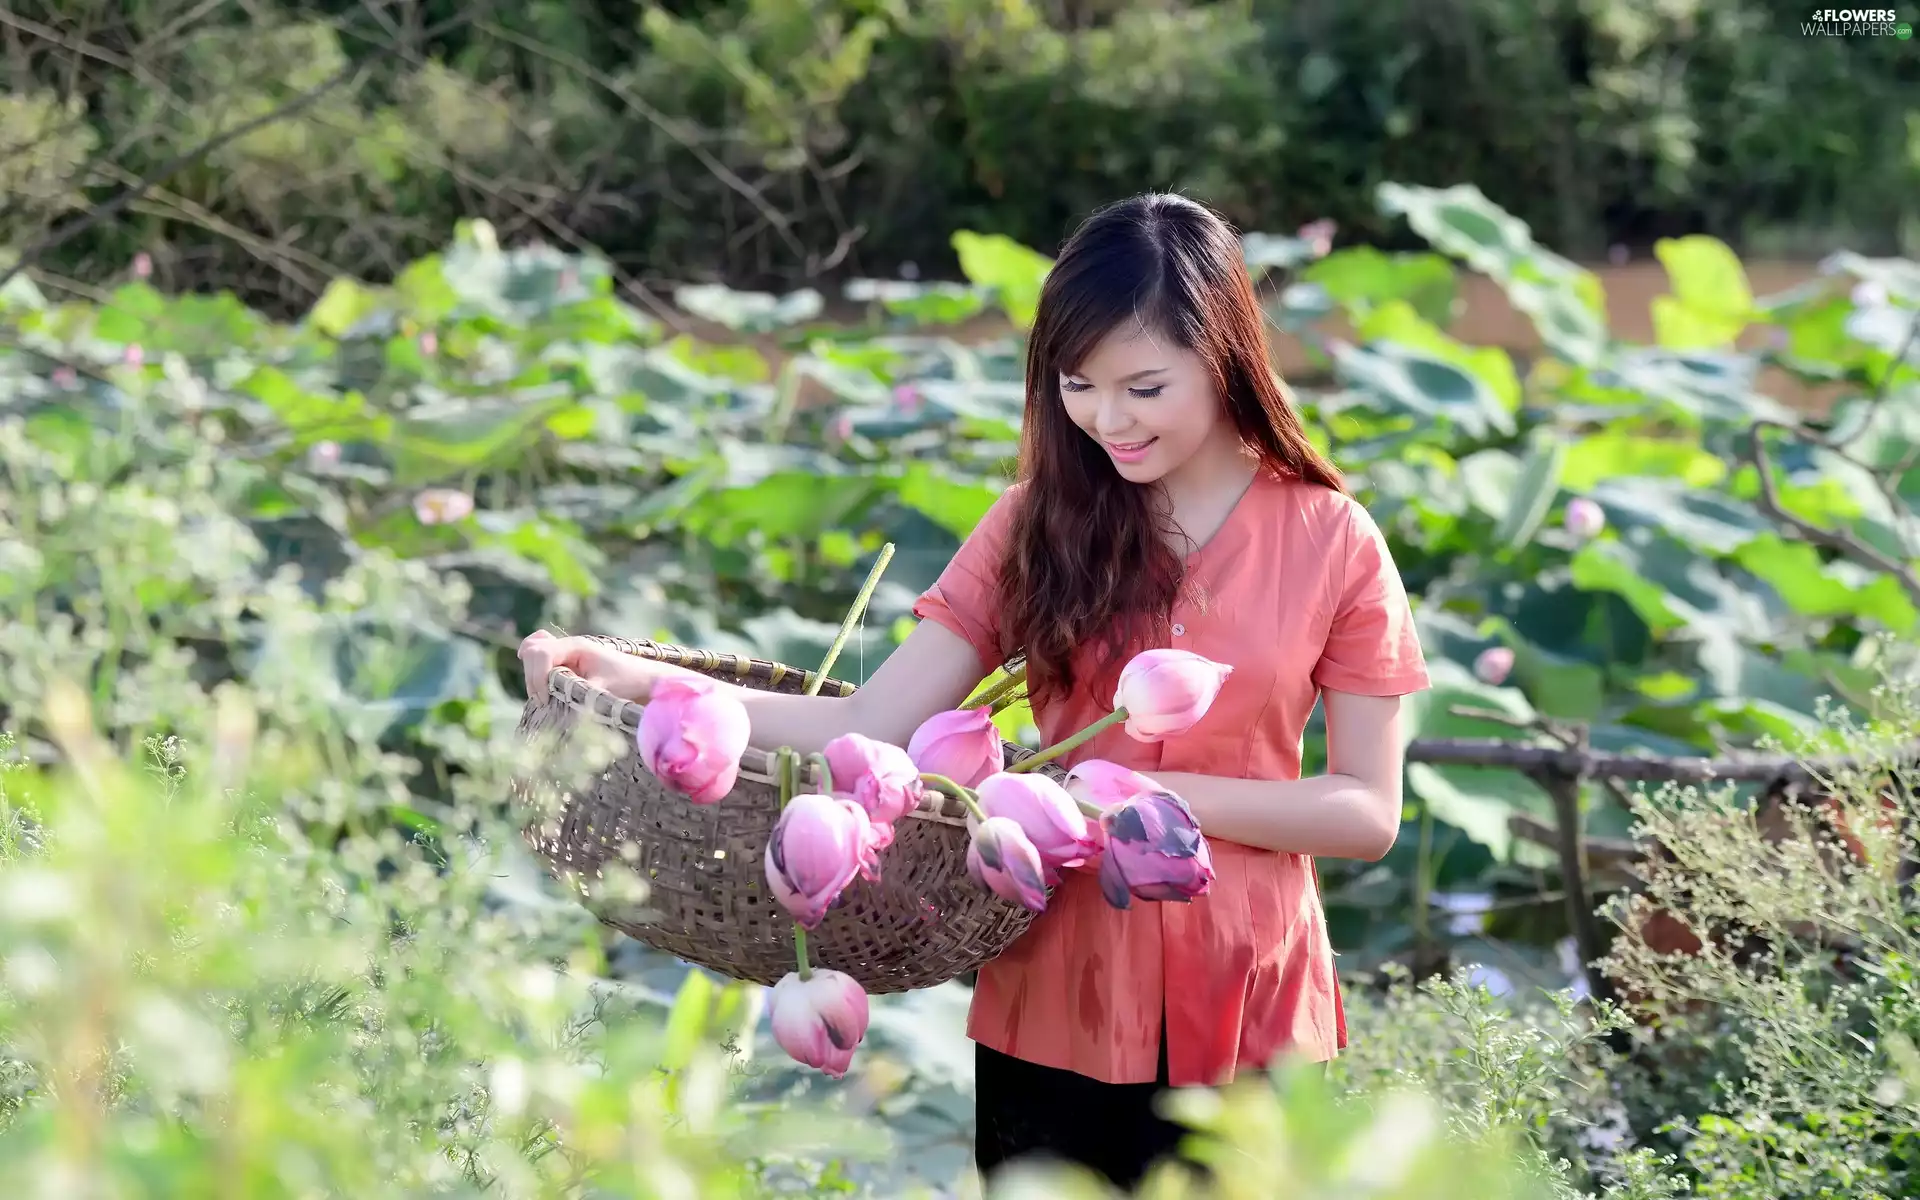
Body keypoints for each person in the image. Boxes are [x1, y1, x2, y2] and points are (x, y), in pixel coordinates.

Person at [516, 193, 1430, 1190]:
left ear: (1224, 358)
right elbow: (869, 722)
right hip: (1057, 993)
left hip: (1251, 1007)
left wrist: (1134, 799)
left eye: (1144, 387)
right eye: (1078, 386)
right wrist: (636, 676)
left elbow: (1365, 811)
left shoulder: (1334, 539)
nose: (1108, 420)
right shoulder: (1037, 523)